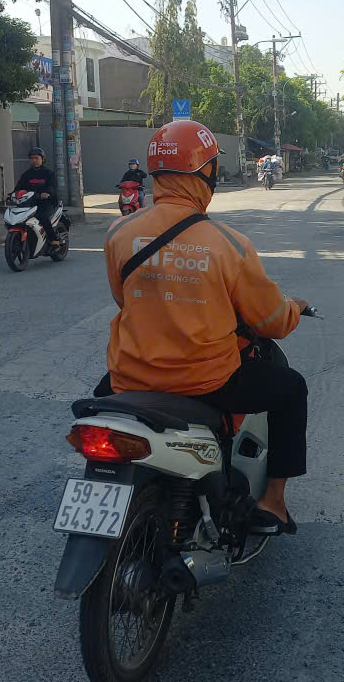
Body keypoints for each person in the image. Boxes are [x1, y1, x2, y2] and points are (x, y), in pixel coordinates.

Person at [104, 120, 309, 536]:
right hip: (207, 382)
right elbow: (270, 321)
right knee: (292, 389)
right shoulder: (229, 245)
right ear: (207, 173)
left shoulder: (119, 232)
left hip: (130, 377)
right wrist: (294, 310)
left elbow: (124, 299)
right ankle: (273, 503)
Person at [14, 147, 59, 248]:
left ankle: (54, 240)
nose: (34, 160)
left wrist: (47, 193)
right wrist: (9, 195)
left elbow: (52, 187)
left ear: (43, 159)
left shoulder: (49, 173)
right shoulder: (26, 174)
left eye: (36, 158)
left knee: (42, 217)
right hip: (30, 202)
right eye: (32, 158)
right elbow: (18, 188)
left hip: (47, 202)